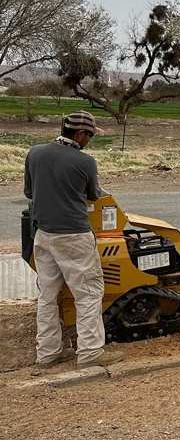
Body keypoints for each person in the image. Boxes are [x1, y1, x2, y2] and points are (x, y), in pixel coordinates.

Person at [24, 110, 124, 369]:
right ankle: (90, 353)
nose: (90, 140)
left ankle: (47, 354)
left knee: (47, 296)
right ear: (80, 134)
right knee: (88, 294)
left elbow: (29, 191)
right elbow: (93, 196)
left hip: (44, 236)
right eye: (89, 135)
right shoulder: (85, 162)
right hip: (74, 237)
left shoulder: (35, 153)